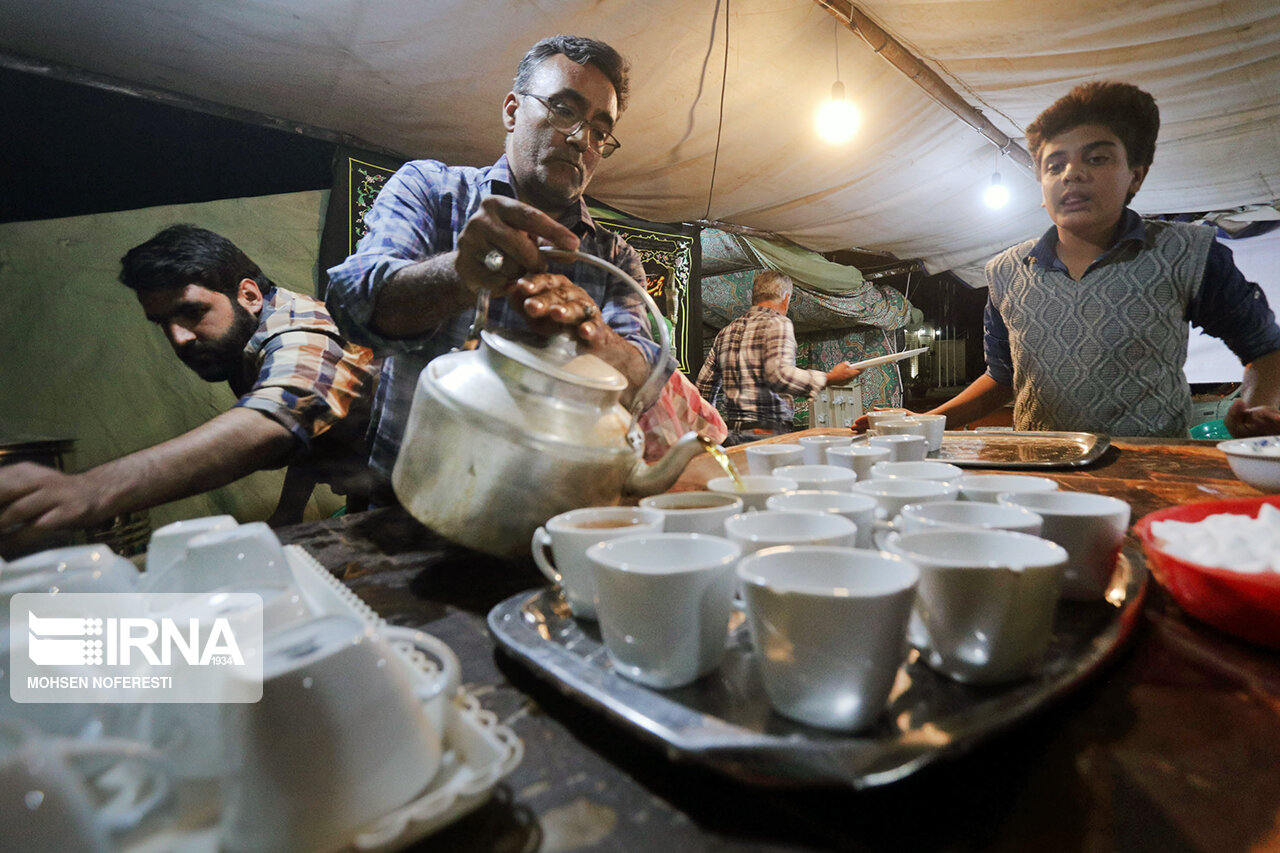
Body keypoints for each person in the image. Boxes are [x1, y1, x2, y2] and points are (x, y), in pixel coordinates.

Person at [325, 35, 671, 491]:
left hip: (542, 502)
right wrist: (461, 273)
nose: (580, 139)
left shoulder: (613, 255)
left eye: (600, 131)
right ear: (512, 111)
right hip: (407, 494)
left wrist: (590, 329)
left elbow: (643, 381)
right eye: (564, 110)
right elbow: (352, 305)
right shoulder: (431, 190)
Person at [906, 81, 1280, 437]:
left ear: (1135, 176)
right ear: (1042, 187)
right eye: (1054, 165)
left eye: (1097, 158)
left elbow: (1266, 350)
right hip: (1041, 476)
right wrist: (924, 422)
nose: (1073, 174)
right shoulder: (1005, 273)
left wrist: (1257, 408)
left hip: (1148, 472)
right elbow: (1002, 376)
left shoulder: (1187, 253)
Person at [0, 225, 379, 553]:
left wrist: (91, 490)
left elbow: (281, 416)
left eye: (193, 312)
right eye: (162, 323)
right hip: (372, 487)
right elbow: (310, 428)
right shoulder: (246, 336)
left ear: (248, 295)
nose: (178, 338)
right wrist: (289, 511)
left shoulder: (300, 332)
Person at [697, 270, 861, 446]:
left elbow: (704, 386)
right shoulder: (778, 323)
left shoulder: (726, 331)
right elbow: (779, 376)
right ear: (786, 297)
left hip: (730, 435)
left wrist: (711, 430)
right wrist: (829, 378)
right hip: (766, 434)